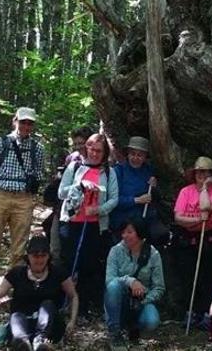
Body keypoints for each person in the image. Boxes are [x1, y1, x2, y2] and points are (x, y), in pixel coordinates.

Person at [0, 107, 47, 314]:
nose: (26, 126)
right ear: (15, 121)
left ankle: (15, 292)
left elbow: (38, 174)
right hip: (1, 195)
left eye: (29, 123)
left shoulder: (37, 149)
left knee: (19, 251)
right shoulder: (1, 143)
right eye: (23, 122)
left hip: (24, 198)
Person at [57, 133, 119, 318]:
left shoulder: (109, 172)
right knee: (69, 263)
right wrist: (79, 186)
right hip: (71, 222)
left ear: (104, 152)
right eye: (91, 149)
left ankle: (82, 307)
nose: (94, 153)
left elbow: (114, 199)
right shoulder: (75, 166)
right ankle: (61, 302)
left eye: (99, 151)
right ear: (86, 148)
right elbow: (61, 192)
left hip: (94, 225)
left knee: (88, 266)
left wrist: (99, 210)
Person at [0, 235, 78, 351]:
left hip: (50, 326)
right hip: (23, 322)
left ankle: (40, 341)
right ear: (28, 256)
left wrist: (72, 321)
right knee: (16, 315)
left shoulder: (58, 273)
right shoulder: (17, 273)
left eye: (43, 256)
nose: (39, 260)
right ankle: (22, 343)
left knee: (47, 305)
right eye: (35, 256)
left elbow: (73, 296)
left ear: (48, 256)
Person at [172, 156, 212, 327]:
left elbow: (206, 207)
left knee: (208, 277)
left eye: (206, 173)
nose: (202, 175)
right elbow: (178, 218)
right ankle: (190, 312)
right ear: (194, 174)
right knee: (188, 276)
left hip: (210, 239)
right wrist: (197, 219)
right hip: (188, 240)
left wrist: (204, 188)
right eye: (199, 173)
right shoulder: (185, 192)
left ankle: (206, 313)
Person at [105, 216, 165, 351]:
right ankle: (115, 333)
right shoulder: (115, 251)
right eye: (123, 232)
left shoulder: (153, 254)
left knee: (152, 321)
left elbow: (159, 287)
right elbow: (109, 280)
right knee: (113, 286)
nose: (124, 236)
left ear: (140, 233)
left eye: (129, 232)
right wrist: (130, 281)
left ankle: (134, 331)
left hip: (142, 300)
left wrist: (144, 297)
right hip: (119, 299)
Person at [44, 126, 95, 263]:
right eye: (76, 143)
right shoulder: (72, 160)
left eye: (81, 143)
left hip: (87, 211)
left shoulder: (98, 161)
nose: (79, 146)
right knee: (56, 245)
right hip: (64, 208)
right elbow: (62, 189)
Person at [111, 136, 169, 248]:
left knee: (161, 235)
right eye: (132, 153)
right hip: (124, 219)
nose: (135, 158)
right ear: (127, 154)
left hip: (146, 218)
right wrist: (136, 200)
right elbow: (113, 200)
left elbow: (155, 196)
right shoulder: (118, 171)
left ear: (145, 157)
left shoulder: (148, 170)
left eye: (140, 155)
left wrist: (154, 186)